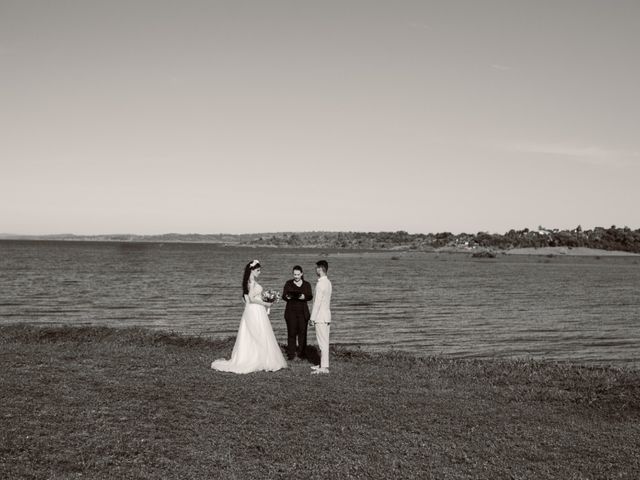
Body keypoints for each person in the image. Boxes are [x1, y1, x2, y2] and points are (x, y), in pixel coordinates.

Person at [211, 260, 287, 374]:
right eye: (258, 270)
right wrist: (266, 303)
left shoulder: (248, 282)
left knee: (255, 333)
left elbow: (246, 299)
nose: (259, 272)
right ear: (252, 270)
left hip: (253, 310)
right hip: (255, 310)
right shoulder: (251, 282)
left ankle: (258, 357)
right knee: (258, 333)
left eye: (260, 270)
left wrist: (265, 297)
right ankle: (258, 358)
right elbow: (251, 298)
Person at [282, 265, 313, 360]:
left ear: (302, 274)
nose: (296, 276)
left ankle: (302, 354)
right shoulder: (288, 283)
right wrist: (287, 297)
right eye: (294, 274)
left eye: (298, 274)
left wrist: (304, 297)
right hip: (291, 312)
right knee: (291, 334)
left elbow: (310, 296)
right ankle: (291, 355)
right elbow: (283, 296)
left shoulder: (307, 284)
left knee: (302, 334)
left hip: (303, 313)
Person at [310, 260, 332, 374]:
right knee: (325, 342)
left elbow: (317, 303)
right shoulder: (328, 282)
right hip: (327, 316)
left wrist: (312, 318)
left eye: (317, 268)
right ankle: (323, 364)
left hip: (320, 317)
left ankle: (324, 368)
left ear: (320, 269)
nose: (316, 270)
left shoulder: (320, 284)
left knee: (322, 342)